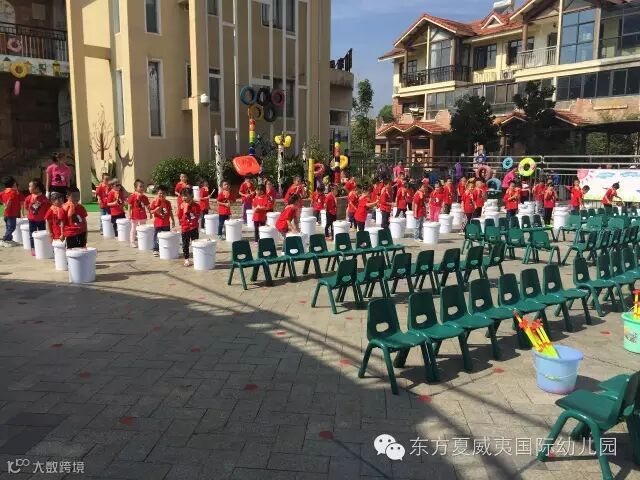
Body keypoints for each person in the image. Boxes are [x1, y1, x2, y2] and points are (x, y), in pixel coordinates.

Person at [24, 179, 50, 255]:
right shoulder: (28, 198)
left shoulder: (44, 198)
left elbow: (47, 208)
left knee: (43, 234)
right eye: (29, 186)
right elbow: (26, 207)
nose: (29, 188)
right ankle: (33, 248)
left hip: (41, 220)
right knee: (32, 235)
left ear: (37, 188)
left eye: (30, 186)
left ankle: (43, 247)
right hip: (32, 220)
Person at [178, 187, 201, 267]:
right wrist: (182, 219)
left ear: (191, 196)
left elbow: (198, 215)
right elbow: (179, 215)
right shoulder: (181, 205)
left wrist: (188, 209)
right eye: (182, 196)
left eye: (186, 195)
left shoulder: (196, 206)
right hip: (185, 228)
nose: (184, 197)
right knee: (185, 244)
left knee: (195, 243)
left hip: (194, 227)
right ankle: (186, 259)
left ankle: (196, 257)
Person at [150, 185, 174, 257]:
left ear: (166, 194)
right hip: (157, 224)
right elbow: (151, 211)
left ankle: (164, 249)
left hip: (166, 224)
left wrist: (173, 220)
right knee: (156, 237)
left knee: (166, 237)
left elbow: (170, 212)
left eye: (163, 193)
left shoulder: (168, 203)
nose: (161, 195)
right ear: (157, 193)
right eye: (160, 193)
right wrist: (155, 210)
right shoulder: (154, 202)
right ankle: (155, 249)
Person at [127, 179, 151, 248]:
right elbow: (129, 206)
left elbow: (148, 206)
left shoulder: (144, 197)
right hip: (135, 216)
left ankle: (142, 240)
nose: (142, 188)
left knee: (142, 228)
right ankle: (132, 241)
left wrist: (150, 213)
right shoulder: (132, 196)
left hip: (143, 216)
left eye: (143, 186)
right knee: (133, 229)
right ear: (135, 188)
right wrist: (129, 214)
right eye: (140, 186)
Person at [1, 176, 21, 247]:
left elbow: (2, 198)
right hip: (11, 214)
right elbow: (10, 200)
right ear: (14, 183)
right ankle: (4, 240)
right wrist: (7, 206)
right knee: (12, 227)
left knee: (8, 227)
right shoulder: (13, 192)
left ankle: (9, 240)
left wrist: (3, 203)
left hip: (6, 214)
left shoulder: (3, 192)